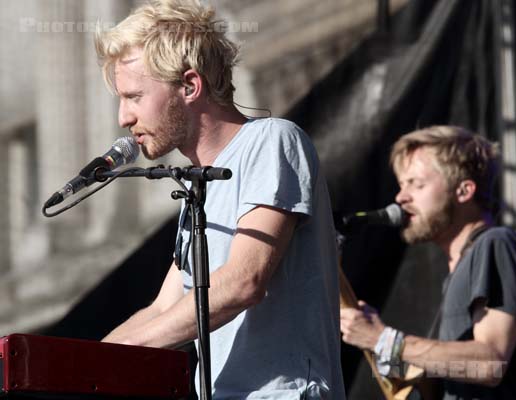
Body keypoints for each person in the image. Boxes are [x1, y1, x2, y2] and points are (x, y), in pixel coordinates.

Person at [94, 1, 345, 398]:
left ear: (190, 86)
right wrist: (77, 365)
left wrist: (114, 358)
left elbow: (244, 281)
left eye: (135, 96)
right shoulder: (198, 188)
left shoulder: (271, 141)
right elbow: (164, 309)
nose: (124, 117)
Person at [339, 126, 516, 399]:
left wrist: (383, 340)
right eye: (401, 184)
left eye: (416, 184)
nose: (400, 197)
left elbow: (489, 363)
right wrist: (379, 346)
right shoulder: (461, 269)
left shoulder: (496, 244)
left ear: (464, 190)